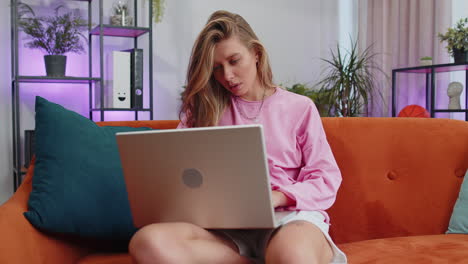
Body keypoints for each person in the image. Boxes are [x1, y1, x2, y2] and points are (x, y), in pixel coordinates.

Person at [129, 10, 347, 264]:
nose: (227, 76)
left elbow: (326, 177)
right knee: (147, 242)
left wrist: (277, 196)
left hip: (288, 219)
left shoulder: (299, 107)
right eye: (217, 69)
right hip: (224, 230)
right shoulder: (203, 110)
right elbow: (178, 176)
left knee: (291, 254)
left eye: (234, 61)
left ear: (256, 53)